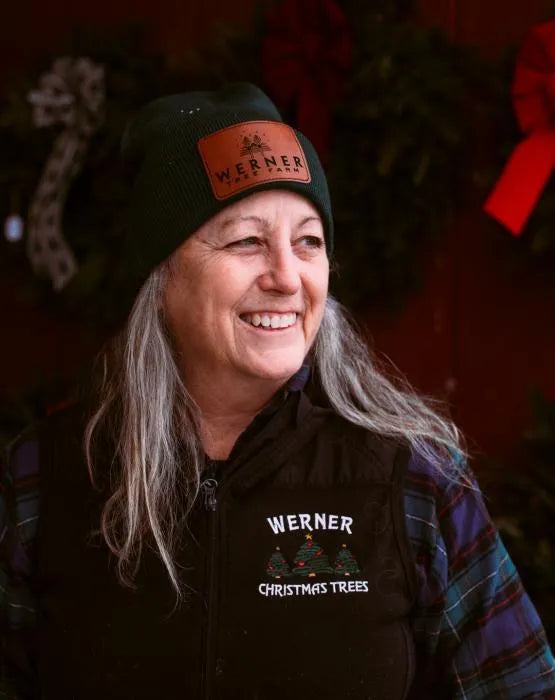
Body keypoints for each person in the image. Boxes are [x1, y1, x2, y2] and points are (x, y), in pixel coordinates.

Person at [1, 83, 554, 700]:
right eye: (247, 240)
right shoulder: (43, 476)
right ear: (161, 278)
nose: (288, 277)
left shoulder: (416, 479)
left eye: (309, 241)